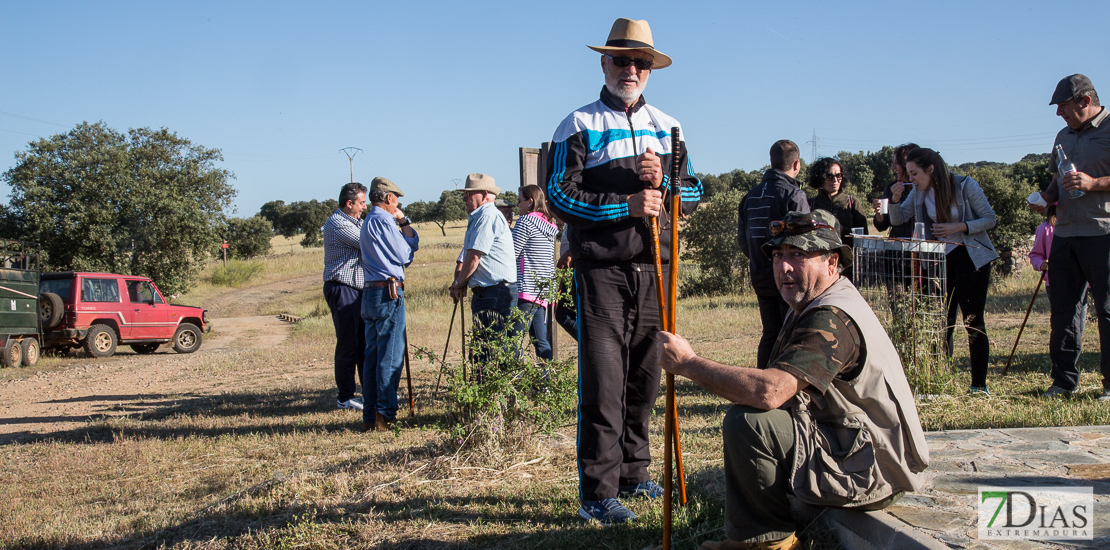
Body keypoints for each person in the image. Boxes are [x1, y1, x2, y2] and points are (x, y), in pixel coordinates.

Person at [655, 211, 929, 550]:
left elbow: (769, 391)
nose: (784, 267)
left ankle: (771, 545)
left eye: (798, 255)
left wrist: (689, 364)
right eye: (778, 255)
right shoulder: (818, 300)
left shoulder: (832, 318)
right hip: (856, 446)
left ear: (832, 262)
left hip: (875, 471)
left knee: (750, 423)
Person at [545, 17, 701, 524]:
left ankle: (635, 474)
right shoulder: (578, 124)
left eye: (640, 62)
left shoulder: (670, 126)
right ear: (604, 63)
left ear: (651, 70)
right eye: (621, 60)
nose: (630, 69)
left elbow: (695, 192)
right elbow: (559, 195)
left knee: (646, 374)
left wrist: (669, 186)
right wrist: (626, 206)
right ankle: (598, 490)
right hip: (601, 271)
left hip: (657, 267)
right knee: (604, 377)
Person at [889, 148, 997, 394]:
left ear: (931, 169)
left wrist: (958, 227)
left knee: (973, 321)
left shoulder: (965, 185)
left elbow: (990, 219)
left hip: (971, 256)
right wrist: (895, 201)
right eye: (909, 173)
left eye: (915, 173)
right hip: (939, 260)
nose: (911, 178)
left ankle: (979, 385)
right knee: (941, 321)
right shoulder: (917, 192)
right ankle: (941, 379)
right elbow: (898, 219)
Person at [1036, 74, 1110, 400]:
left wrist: (1092, 183)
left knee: (1107, 310)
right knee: (1063, 310)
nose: (1058, 113)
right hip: (1064, 235)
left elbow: (1090, 183)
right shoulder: (1062, 135)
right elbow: (1056, 183)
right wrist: (1045, 199)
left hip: (1102, 233)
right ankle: (1063, 382)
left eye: (1063, 106)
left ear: (1085, 101)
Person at [738, 141, 809, 369]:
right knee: (791, 333)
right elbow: (804, 241)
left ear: (771, 161)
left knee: (770, 334)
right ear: (796, 164)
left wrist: (762, 260)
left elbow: (743, 241)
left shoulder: (751, 196)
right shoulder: (793, 194)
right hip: (789, 277)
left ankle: (762, 382)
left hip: (760, 275)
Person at [360, 177, 419, 431]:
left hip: (371, 292)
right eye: (396, 199)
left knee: (372, 356)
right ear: (389, 198)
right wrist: (402, 222)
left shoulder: (367, 221)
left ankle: (371, 415)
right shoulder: (383, 221)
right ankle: (385, 414)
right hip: (389, 292)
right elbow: (405, 253)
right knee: (390, 355)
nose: (397, 204)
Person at [450, 173, 517, 370]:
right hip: (490, 291)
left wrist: (459, 284)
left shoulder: (486, 216)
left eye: (469, 194)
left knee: (488, 349)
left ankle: (490, 398)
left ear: (484, 194)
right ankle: (495, 396)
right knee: (488, 346)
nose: (464, 198)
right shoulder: (481, 216)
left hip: (494, 291)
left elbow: (473, 257)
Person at [322, 182, 368, 411]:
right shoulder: (339, 223)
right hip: (342, 288)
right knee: (349, 343)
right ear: (349, 203)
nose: (365, 206)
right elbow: (368, 243)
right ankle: (345, 397)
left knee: (363, 343)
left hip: (355, 288)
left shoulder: (355, 221)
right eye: (361, 202)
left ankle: (368, 393)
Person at [511, 185, 558, 360]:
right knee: (541, 340)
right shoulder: (548, 224)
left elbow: (513, 253)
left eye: (519, 200)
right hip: (542, 290)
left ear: (530, 202)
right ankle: (546, 384)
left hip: (525, 288)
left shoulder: (525, 222)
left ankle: (518, 380)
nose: (517, 205)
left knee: (513, 340)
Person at [806, 157, 868, 246]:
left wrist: (842, 230)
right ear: (820, 178)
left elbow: (864, 235)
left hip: (848, 255)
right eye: (829, 176)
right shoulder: (810, 204)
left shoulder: (852, 202)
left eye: (838, 175)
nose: (835, 180)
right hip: (819, 255)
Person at [872, 143, 919, 238]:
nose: (893, 167)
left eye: (897, 162)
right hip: (896, 248)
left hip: (922, 248)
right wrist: (879, 213)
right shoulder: (892, 188)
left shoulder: (925, 189)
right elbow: (882, 226)